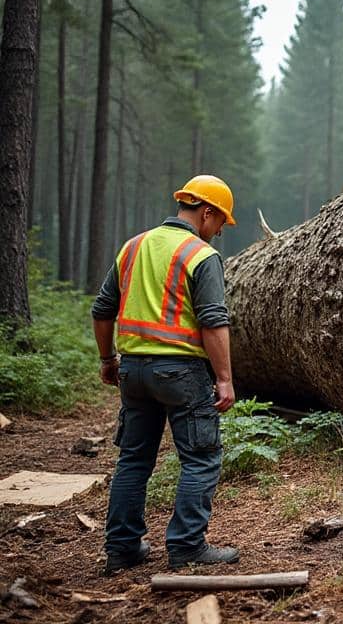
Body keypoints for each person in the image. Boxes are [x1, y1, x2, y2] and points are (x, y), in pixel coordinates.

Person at [91, 175, 241, 573]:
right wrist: (224, 378)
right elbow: (213, 320)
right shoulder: (199, 255)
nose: (219, 232)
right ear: (206, 212)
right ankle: (187, 547)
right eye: (220, 223)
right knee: (201, 457)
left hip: (134, 370)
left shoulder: (133, 246)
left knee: (134, 459)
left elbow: (102, 308)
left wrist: (108, 360)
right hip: (181, 372)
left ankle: (121, 550)